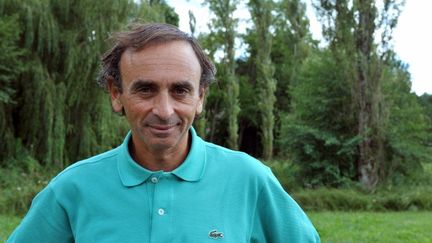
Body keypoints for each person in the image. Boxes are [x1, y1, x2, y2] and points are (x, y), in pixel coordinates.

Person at [7, 23, 320, 243]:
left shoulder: (249, 179)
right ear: (116, 94)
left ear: (200, 97)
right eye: (145, 90)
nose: (165, 110)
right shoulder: (72, 189)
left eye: (181, 90)